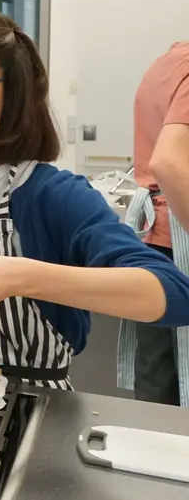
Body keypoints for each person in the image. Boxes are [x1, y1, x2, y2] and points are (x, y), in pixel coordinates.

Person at [0, 9, 189, 389]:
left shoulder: (55, 198)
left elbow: (172, 294)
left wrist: (20, 276)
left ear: (12, 92)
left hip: (24, 409)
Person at [119, 42, 189, 406]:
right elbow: (168, 163)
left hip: (157, 238)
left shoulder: (169, 60)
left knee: (158, 379)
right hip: (180, 236)